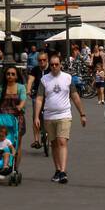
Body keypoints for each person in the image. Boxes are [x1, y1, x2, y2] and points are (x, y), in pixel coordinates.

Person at [33, 49, 87, 184]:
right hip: (49, 116)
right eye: (52, 65)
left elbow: (75, 96)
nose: (54, 67)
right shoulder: (44, 79)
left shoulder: (67, 78)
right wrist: (36, 117)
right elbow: (39, 98)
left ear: (61, 64)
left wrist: (82, 114)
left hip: (64, 114)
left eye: (56, 64)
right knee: (54, 144)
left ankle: (63, 171)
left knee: (62, 141)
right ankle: (57, 170)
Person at [0, 64, 27, 168]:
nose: (10, 76)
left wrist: (20, 106)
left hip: (17, 119)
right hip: (3, 119)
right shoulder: (1, 88)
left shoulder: (21, 87)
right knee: (1, 141)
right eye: (8, 74)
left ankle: (15, 166)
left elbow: (23, 99)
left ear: (16, 76)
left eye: (13, 74)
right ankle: (0, 163)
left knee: (16, 143)